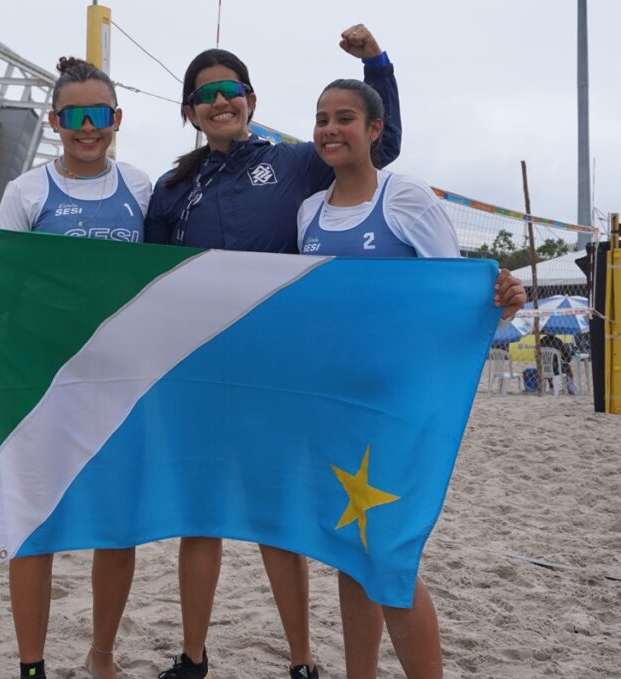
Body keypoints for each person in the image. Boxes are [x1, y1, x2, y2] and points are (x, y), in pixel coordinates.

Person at [144, 25, 401, 679]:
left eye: (229, 89)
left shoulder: (292, 160)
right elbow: (143, 277)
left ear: (250, 99)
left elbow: (383, 142)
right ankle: (193, 656)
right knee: (200, 516)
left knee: (274, 515)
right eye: (205, 95)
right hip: (201, 368)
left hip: (282, 370)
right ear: (190, 112)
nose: (219, 101)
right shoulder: (173, 190)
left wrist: (377, 64)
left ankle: (302, 660)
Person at [296, 78, 526, 679]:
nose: (330, 129)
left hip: (396, 407)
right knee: (349, 550)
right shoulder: (308, 212)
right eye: (321, 118)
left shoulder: (406, 200)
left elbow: (456, 290)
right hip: (333, 403)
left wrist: (502, 294)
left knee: (389, 555)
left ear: (376, 130)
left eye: (345, 117)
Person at [0, 57, 151, 679]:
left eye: (101, 115)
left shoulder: (140, 187)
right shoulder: (26, 191)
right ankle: (32, 664)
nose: (89, 128)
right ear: (55, 121)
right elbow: (2, 283)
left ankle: (101, 654)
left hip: (121, 381)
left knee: (117, 528)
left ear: (117, 119)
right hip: (45, 381)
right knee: (36, 521)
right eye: (75, 116)